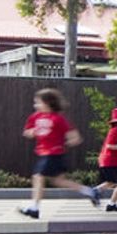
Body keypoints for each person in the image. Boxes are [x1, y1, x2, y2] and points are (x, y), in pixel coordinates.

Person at [17, 88, 101, 219]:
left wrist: (68, 142)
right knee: (59, 181)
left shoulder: (58, 119)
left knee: (38, 176)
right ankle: (90, 191)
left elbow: (75, 137)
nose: (35, 105)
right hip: (45, 153)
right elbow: (26, 132)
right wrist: (32, 132)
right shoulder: (35, 117)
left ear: (48, 103)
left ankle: (34, 208)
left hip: (53, 154)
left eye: (38, 102)